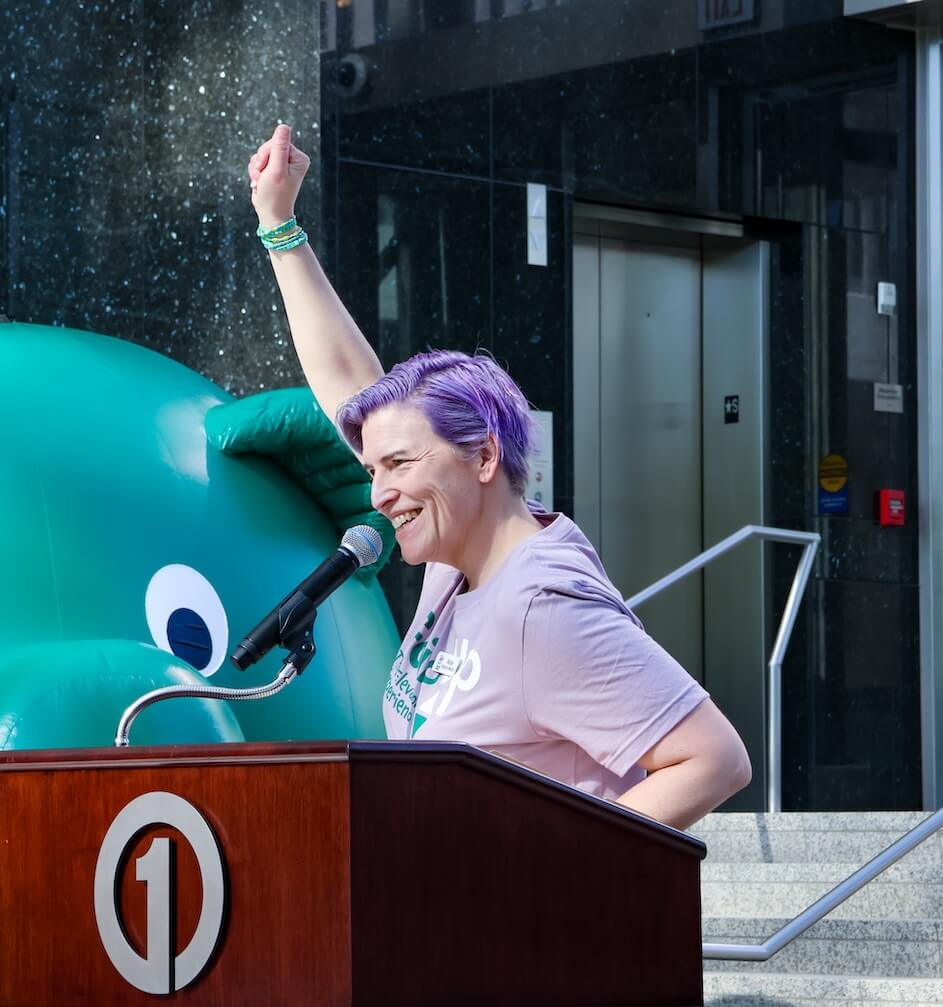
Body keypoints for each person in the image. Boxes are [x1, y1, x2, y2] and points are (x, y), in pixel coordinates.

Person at [246, 124, 751, 830]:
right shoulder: (460, 560)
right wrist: (279, 226)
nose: (379, 493)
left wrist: (542, 873)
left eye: (399, 465)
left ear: (483, 458)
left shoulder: (543, 607)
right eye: (372, 469)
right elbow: (352, 387)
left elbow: (714, 758)